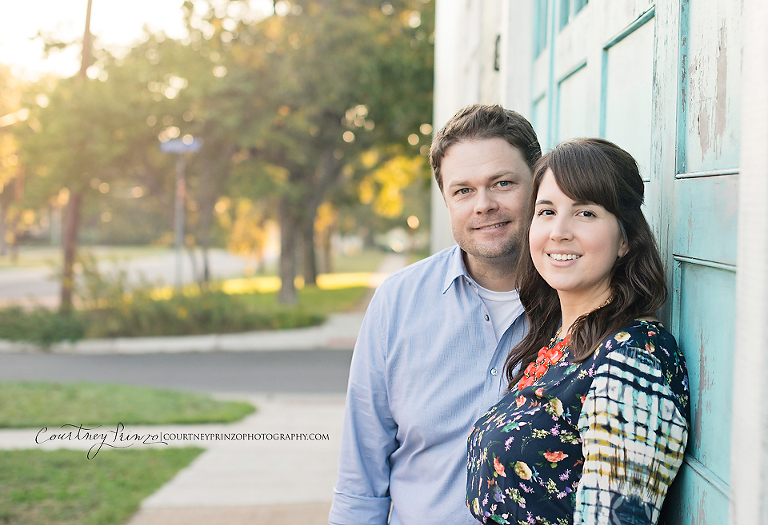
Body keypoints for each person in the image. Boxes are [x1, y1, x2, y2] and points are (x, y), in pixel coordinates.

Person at [329, 104, 542, 525]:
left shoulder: (579, 305)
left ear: (538, 185)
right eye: (463, 190)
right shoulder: (397, 303)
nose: (483, 205)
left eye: (502, 183)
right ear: (445, 199)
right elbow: (361, 477)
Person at [466, 138, 690, 525]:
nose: (559, 231)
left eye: (585, 213)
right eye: (547, 211)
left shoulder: (632, 357)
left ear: (625, 239)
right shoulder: (559, 339)